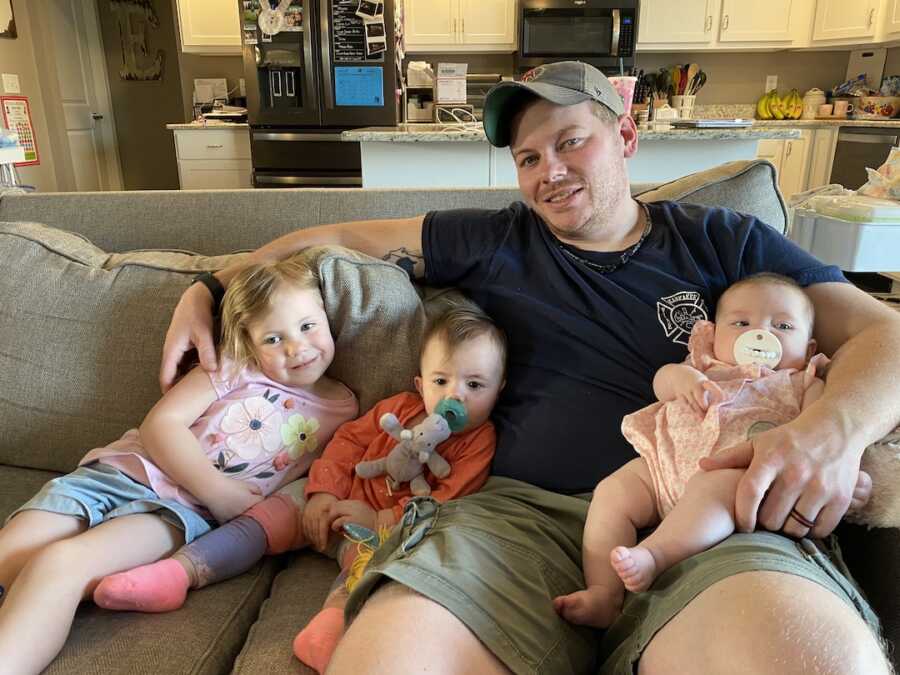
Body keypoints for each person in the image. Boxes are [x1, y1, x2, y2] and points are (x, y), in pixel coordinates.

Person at [159, 61, 900, 674]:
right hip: (517, 521)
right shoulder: (495, 239)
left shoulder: (721, 240)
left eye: (571, 142)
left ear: (626, 135)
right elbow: (333, 233)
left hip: (707, 516)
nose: (550, 172)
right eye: (528, 157)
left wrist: (830, 432)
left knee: (818, 660)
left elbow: (883, 335)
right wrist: (213, 284)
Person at [97, 302, 506, 674]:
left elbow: (446, 502)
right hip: (330, 497)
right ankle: (178, 573)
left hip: (381, 528)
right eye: (441, 380)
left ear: (499, 389)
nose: (455, 396)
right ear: (420, 384)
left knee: (368, 570)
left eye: (474, 385)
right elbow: (347, 443)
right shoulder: (397, 409)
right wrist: (324, 493)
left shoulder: (479, 441)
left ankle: (329, 628)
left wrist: (380, 519)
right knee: (261, 520)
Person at [0, 257, 358, 674]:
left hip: (176, 515)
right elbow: (161, 425)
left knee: (60, 565)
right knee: (11, 551)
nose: (296, 347)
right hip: (119, 474)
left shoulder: (347, 411)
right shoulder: (234, 366)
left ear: (327, 317)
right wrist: (221, 494)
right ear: (249, 340)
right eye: (274, 338)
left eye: (308, 326)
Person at [553, 273, 874, 628]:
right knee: (612, 493)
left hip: (735, 481)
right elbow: (662, 381)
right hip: (661, 471)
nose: (761, 334)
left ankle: (654, 555)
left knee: (714, 487)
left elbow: (825, 438)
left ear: (810, 348)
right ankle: (604, 592)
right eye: (741, 322)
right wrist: (682, 380)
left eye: (782, 325)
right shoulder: (701, 367)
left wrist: (849, 470)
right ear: (714, 335)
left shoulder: (803, 382)